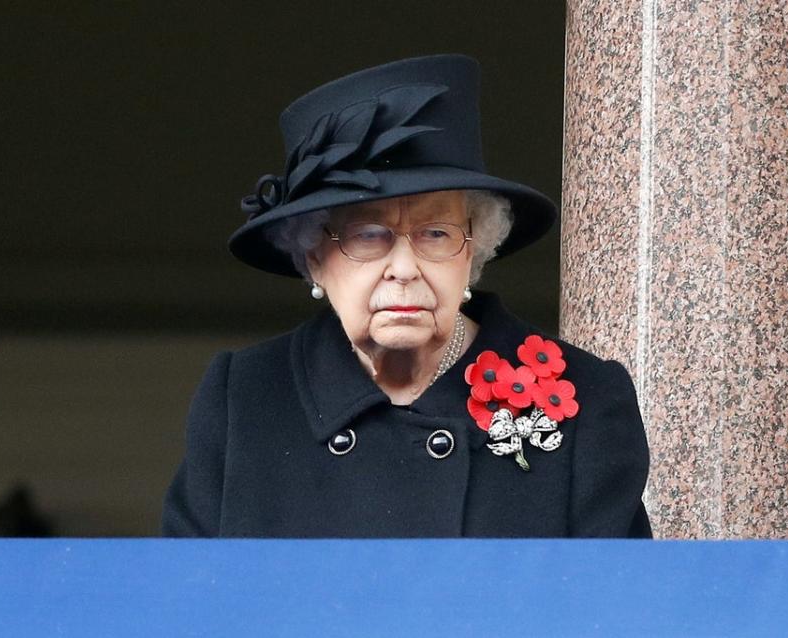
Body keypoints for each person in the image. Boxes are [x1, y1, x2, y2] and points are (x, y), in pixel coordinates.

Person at [162, 54, 651, 537]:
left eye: (435, 233)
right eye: (367, 235)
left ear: (474, 251)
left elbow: (616, 611)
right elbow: (190, 605)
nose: (403, 268)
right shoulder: (246, 400)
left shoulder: (587, 399)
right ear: (314, 258)